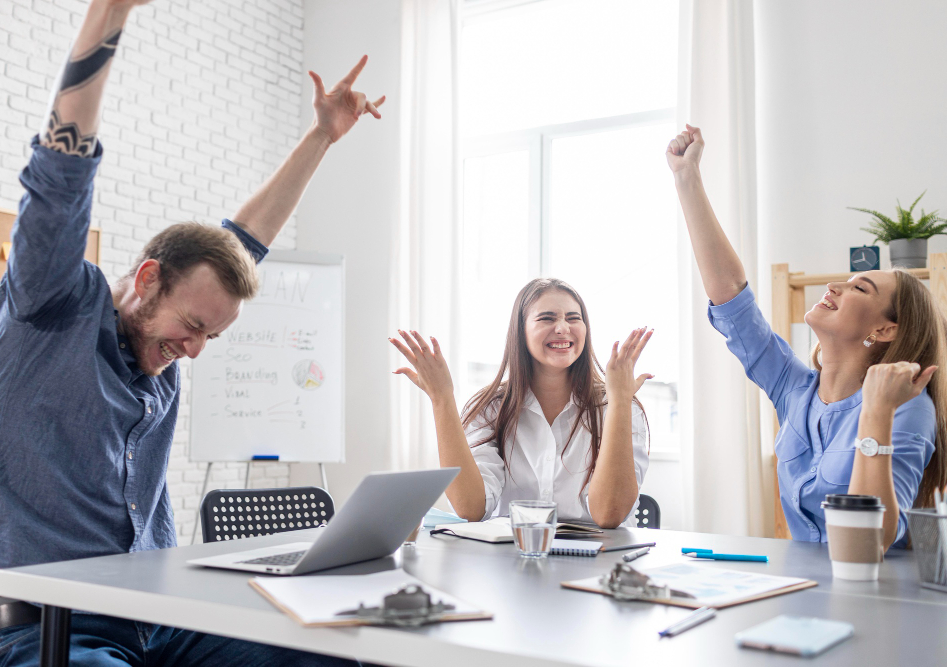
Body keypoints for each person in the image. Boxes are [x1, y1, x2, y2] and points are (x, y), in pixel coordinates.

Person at [0, 0, 383, 664]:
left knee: (337, 653)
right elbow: (59, 176)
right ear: (146, 276)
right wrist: (109, 13)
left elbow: (247, 241)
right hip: (50, 627)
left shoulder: (166, 343)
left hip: (159, 616)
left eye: (208, 340)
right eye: (191, 327)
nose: (192, 350)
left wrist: (322, 138)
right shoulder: (49, 306)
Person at [667, 124, 947, 550]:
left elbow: (871, 541)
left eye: (860, 288)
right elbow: (731, 300)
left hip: (880, 600)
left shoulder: (907, 409)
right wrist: (687, 178)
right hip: (806, 591)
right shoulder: (795, 390)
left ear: (885, 329)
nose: (835, 287)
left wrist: (875, 410)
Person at [390, 278, 651, 528]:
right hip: (514, 558)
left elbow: (610, 514)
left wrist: (619, 402)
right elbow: (470, 508)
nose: (562, 328)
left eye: (573, 318)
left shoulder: (618, 404)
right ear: (520, 331)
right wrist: (441, 398)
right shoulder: (490, 409)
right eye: (547, 318)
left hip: (600, 562)